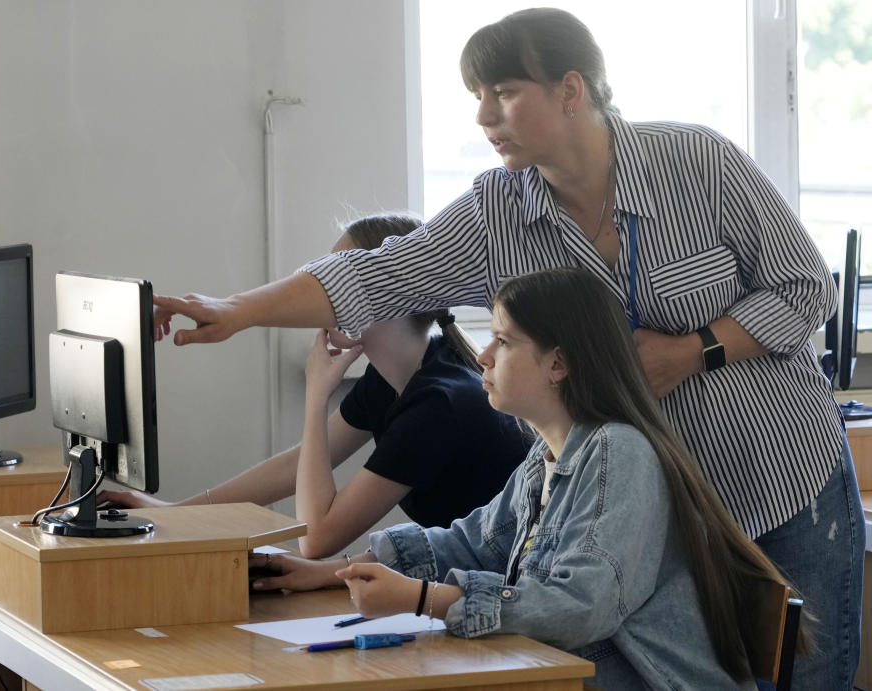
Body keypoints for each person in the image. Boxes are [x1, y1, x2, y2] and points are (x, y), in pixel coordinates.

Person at [152, 9, 861, 687]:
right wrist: (236, 309)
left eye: (504, 92)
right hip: (652, 512)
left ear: (570, 89)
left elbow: (805, 289)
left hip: (777, 477)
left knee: (806, 673)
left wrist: (695, 349)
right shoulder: (498, 210)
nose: (484, 115)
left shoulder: (695, 162)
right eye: (476, 96)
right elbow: (375, 270)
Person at [250, 267, 801, 689]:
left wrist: (423, 599)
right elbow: (474, 542)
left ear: (558, 364)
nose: (483, 357)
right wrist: (330, 573)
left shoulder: (618, 452)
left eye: (504, 342)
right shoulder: (548, 454)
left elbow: (581, 607)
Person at [102, 213, 531, 558]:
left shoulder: (439, 404)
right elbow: (299, 466)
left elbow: (318, 539)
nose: (326, 298)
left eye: (337, 283)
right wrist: (177, 515)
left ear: (384, 291)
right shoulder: (397, 376)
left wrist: (315, 395)